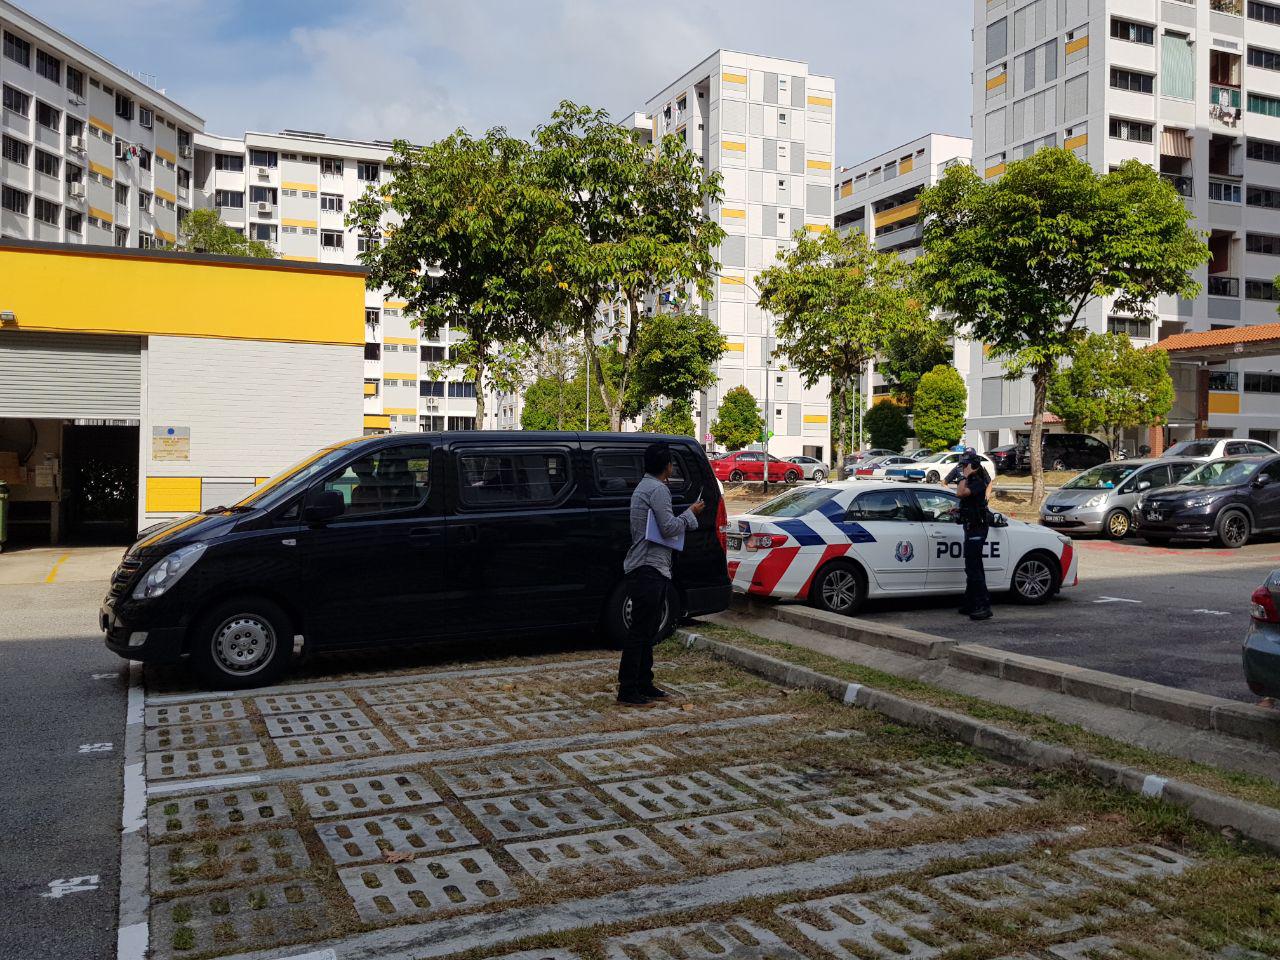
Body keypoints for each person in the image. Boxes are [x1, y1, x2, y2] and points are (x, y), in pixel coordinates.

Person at [618, 442, 705, 706]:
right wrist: (690, 514)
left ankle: (644, 682)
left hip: (645, 565)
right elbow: (668, 528)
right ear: (667, 466)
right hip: (650, 566)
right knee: (641, 631)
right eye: (671, 463)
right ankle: (628, 688)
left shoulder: (644, 487)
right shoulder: (658, 490)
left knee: (646, 629)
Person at [956, 451, 993, 621]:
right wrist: (959, 510)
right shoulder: (971, 480)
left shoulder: (977, 481)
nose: (962, 468)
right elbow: (967, 501)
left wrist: (963, 477)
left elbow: (961, 493)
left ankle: (983, 606)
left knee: (974, 568)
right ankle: (970, 602)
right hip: (971, 527)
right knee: (971, 566)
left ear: (973, 466)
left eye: (965, 465)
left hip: (977, 529)